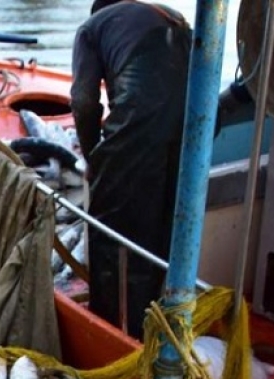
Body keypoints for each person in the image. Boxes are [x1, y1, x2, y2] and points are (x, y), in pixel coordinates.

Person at [70, 0, 192, 339]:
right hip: (193, 121)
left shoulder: (91, 29)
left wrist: (96, 158)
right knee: (162, 223)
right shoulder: (168, 15)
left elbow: (83, 101)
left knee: (109, 228)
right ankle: (161, 318)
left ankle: (113, 333)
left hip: (139, 119)